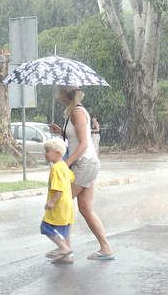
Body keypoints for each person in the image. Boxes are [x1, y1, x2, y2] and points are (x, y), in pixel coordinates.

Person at [50, 87, 115, 260]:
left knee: (61, 202)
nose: (57, 94)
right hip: (88, 163)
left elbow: (84, 143)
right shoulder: (74, 111)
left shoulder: (77, 112)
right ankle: (106, 248)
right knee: (86, 208)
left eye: (59, 91)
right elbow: (77, 137)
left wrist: (67, 163)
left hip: (83, 163)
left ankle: (65, 250)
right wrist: (61, 131)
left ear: (66, 94)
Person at [41, 138, 75, 264]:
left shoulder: (56, 168)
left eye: (47, 151)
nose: (45, 154)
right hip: (67, 205)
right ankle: (66, 256)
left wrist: (51, 202)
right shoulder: (64, 167)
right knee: (64, 231)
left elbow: (58, 189)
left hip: (59, 205)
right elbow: (72, 178)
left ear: (57, 153)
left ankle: (64, 248)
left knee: (46, 227)